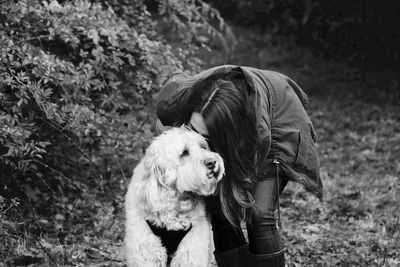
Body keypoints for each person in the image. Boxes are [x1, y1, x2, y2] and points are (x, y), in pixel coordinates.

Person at [155, 65, 323, 267]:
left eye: (205, 137)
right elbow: (162, 130)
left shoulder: (254, 131)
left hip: (277, 124)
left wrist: (232, 188)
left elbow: (246, 174)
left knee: (259, 215)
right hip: (229, 127)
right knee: (219, 211)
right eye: (191, 130)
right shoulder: (178, 99)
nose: (196, 140)